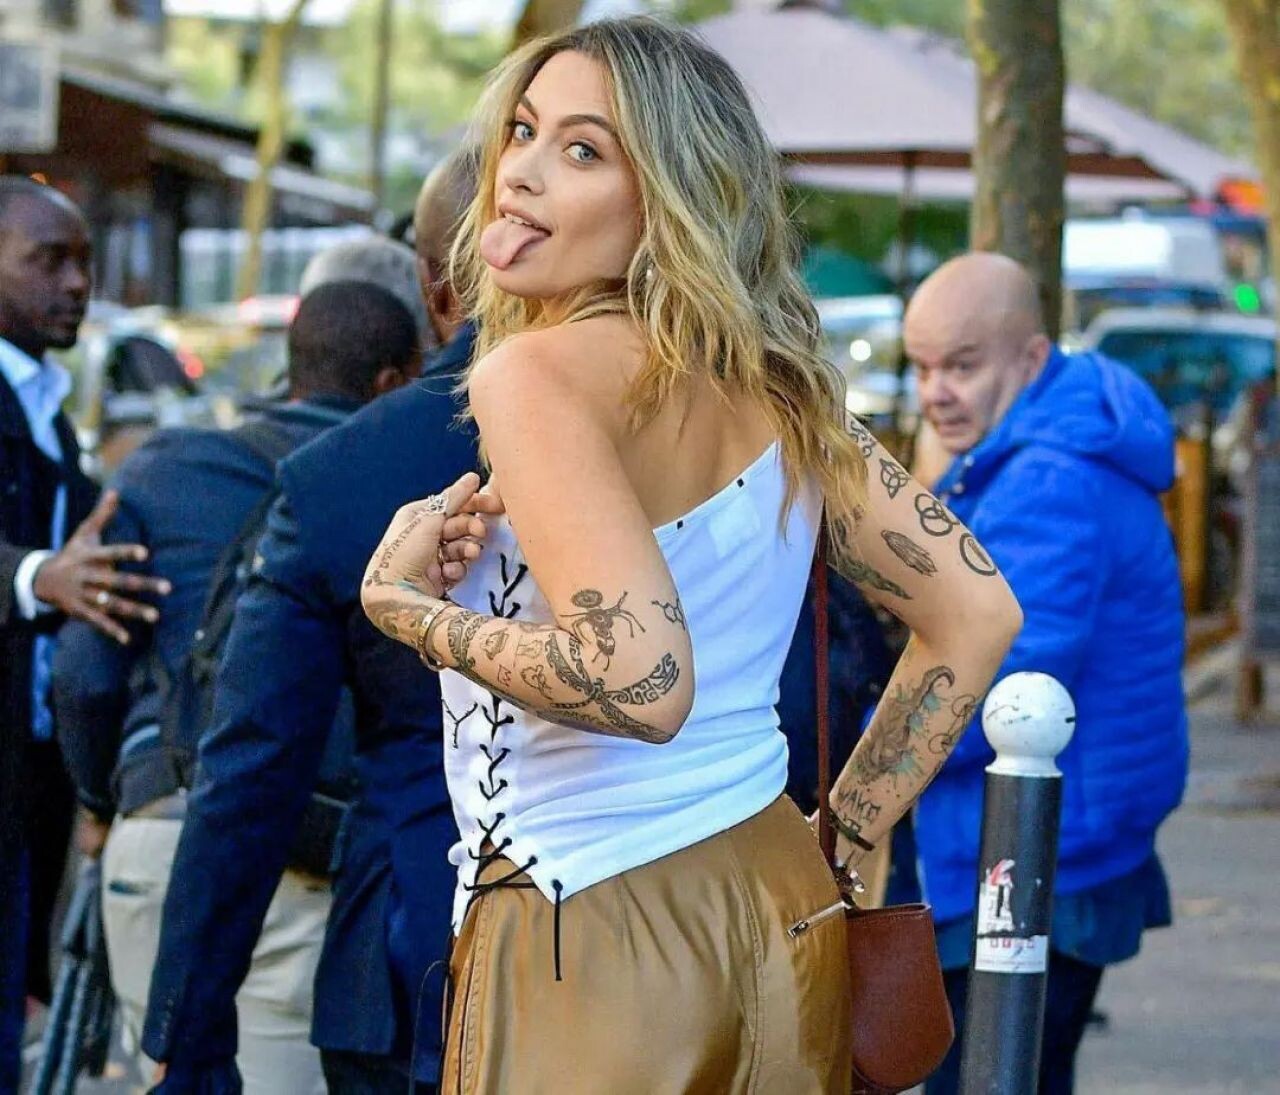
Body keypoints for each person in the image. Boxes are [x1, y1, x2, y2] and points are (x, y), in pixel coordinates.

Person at [360, 18, 1023, 1093]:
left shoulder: (530, 374)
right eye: (522, 131)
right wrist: (851, 825)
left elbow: (638, 677)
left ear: (668, 198)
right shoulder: (781, 390)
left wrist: (412, 610)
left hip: (592, 918)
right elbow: (976, 610)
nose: (520, 172)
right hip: (779, 897)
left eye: (583, 150)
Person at [140, 149, 484, 1094]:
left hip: (411, 954)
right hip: (666, 951)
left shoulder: (341, 474)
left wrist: (189, 1031)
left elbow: (251, 767)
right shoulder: (709, 431)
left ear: (433, 287)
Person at [51, 260, 424, 1091]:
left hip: (155, 834)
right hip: (309, 862)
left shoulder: (164, 467)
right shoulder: (402, 491)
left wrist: (101, 804)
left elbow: (84, 675)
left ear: (292, 361)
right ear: (394, 381)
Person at [901, 252, 1189, 1095]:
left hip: (1031, 854)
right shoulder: (1044, 449)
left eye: (961, 366)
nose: (935, 392)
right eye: (922, 367)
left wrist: (868, 768)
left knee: (990, 1075)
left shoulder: (1047, 480)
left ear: (1030, 357)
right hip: (1068, 839)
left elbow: (996, 685)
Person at [0, 176, 170, 1089]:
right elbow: (46, 567)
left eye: (84, 262)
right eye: (47, 261)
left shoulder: (48, 405)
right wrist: (37, 575)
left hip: (32, 775)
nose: (76, 283)